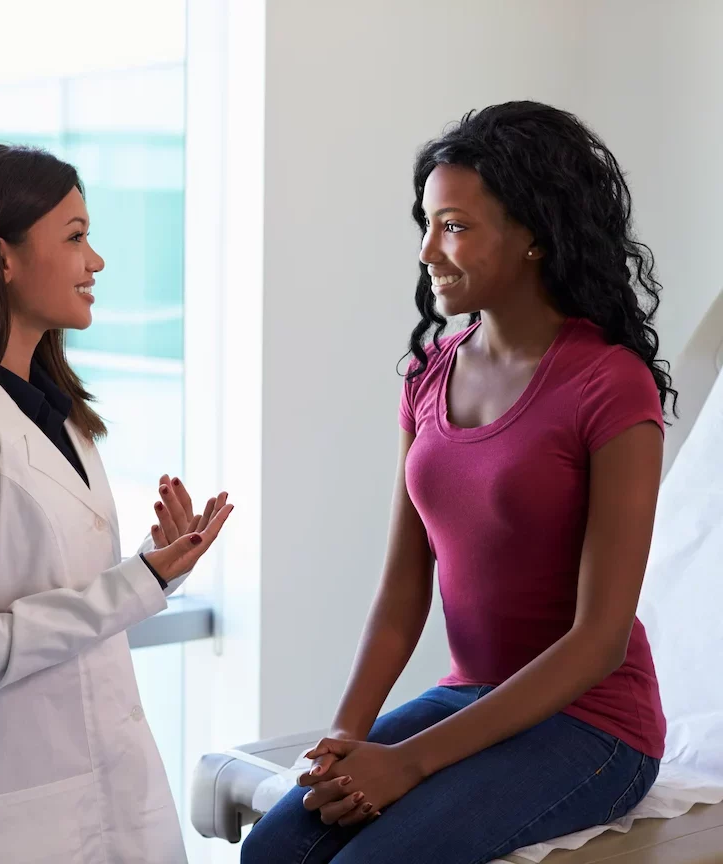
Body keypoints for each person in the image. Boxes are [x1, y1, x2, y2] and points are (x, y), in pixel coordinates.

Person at [241, 101, 676, 864]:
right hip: (471, 696)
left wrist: (407, 761)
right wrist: (345, 738)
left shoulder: (611, 384)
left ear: (535, 236)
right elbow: (403, 589)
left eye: (454, 225)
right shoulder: (427, 376)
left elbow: (600, 642)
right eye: (428, 223)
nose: (427, 251)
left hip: (596, 725)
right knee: (274, 851)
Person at [0, 143, 232, 864]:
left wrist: (161, 567)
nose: (94, 262)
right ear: (0, 257)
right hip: (17, 821)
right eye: (74, 237)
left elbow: (63, 598)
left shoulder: (57, 418)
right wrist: (141, 582)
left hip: (112, 792)